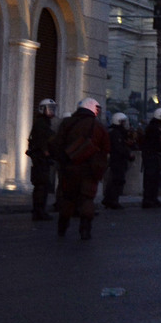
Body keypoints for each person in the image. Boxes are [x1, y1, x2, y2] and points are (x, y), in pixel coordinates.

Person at [49, 98, 110, 240]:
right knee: (87, 198)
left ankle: (62, 227)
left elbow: (57, 144)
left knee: (68, 198)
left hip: (70, 168)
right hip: (90, 170)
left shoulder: (67, 123)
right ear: (92, 108)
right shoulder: (98, 127)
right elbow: (105, 150)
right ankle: (85, 229)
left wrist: (63, 162)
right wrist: (99, 169)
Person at [26, 98, 57, 221]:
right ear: (42, 109)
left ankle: (40, 210)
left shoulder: (45, 122)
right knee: (41, 185)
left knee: (43, 185)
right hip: (40, 158)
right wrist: (46, 152)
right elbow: (41, 140)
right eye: (50, 109)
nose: (52, 111)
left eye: (53, 109)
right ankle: (38, 211)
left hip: (43, 158)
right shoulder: (41, 123)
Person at [101, 112, 135, 209]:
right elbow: (119, 148)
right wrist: (128, 154)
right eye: (123, 122)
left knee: (115, 180)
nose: (125, 124)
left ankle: (110, 200)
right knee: (117, 180)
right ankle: (112, 200)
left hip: (117, 159)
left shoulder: (116, 132)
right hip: (117, 160)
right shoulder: (116, 133)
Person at [140, 108, 161, 208]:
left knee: (156, 178)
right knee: (150, 178)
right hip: (151, 155)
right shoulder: (154, 127)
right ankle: (148, 199)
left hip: (155, 155)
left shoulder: (158, 126)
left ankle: (153, 198)